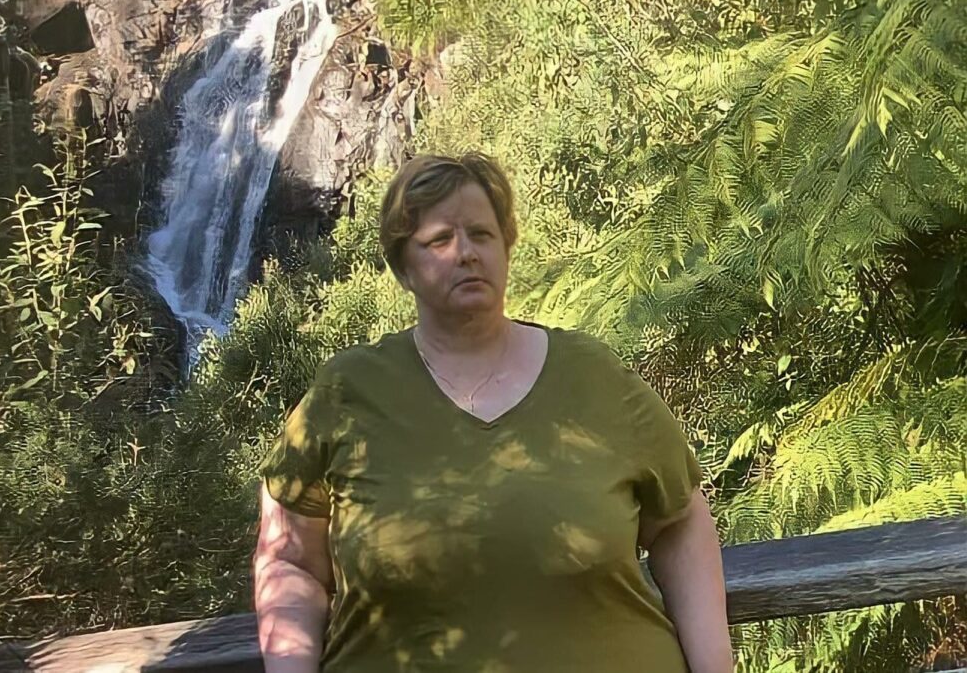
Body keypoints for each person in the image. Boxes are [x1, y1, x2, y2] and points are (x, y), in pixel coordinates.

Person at [253, 152, 733, 672]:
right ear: (403, 267)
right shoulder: (346, 393)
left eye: (482, 234)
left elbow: (681, 521)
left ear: (506, 247)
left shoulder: (593, 375)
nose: (465, 253)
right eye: (439, 240)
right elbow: (289, 560)